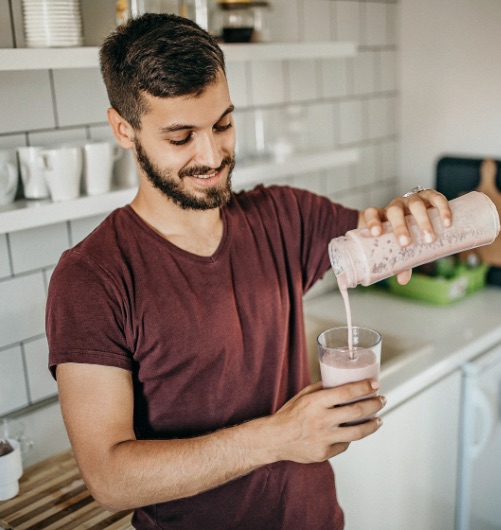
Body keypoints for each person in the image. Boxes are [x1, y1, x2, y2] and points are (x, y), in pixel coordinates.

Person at [46, 13, 452, 530]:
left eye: (222, 124)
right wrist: (280, 437)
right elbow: (109, 479)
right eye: (181, 138)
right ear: (124, 129)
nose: (211, 155)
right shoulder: (92, 278)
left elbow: (390, 240)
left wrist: (413, 209)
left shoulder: (284, 217)